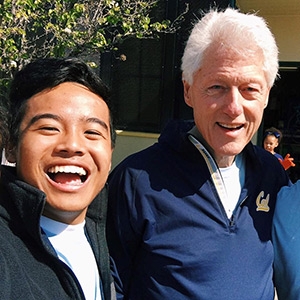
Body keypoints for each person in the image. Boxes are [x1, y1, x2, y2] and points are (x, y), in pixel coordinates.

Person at [106, 8, 291, 300]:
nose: (233, 107)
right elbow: (109, 286)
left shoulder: (272, 175)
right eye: (217, 87)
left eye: (249, 89)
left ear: (267, 94)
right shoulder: (136, 180)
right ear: (188, 90)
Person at [0, 57, 116, 300]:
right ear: (11, 145)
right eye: (49, 128)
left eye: (92, 132)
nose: (73, 145)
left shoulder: (103, 231)